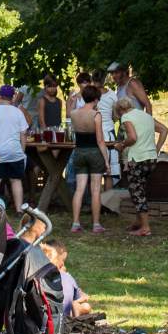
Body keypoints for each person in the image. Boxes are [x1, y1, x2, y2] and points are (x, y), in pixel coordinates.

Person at [112, 95, 167, 238]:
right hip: (151, 159)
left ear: (121, 110)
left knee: (137, 192)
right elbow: (164, 130)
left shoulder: (126, 117)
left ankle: (145, 228)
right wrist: (157, 148)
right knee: (141, 189)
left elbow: (132, 137)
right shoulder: (146, 116)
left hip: (137, 159)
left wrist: (121, 145)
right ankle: (138, 221)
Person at [69, 85, 110, 234]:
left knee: (79, 189)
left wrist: (71, 102)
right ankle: (96, 224)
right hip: (94, 152)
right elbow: (100, 140)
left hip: (79, 151)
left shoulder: (74, 114)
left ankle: (75, 223)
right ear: (96, 99)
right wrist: (106, 160)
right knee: (95, 189)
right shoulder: (96, 115)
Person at [0, 85, 31, 212]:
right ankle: (19, 210)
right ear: (13, 97)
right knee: (16, 181)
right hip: (14, 152)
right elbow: (23, 133)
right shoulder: (18, 112)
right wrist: (22, 150)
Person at [41, 238, 92, 317]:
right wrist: (82, 297)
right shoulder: (67, 277)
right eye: (62, 260)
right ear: (58, 260)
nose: (63, 264)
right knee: (86, 306)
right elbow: (77, 298)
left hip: (42, 318)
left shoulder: (35, 276)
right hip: (62, 318)